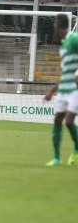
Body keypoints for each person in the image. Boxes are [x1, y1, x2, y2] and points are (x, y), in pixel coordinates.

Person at [43, 14, 78, 167]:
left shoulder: (74, 39)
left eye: (55, 25)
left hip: (75, 88)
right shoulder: (64, 44)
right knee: (58, 120)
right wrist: (52, 90)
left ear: (59, 26)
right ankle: (57, 158)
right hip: (64, 88)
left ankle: (76, 149)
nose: (54, 28)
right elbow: (65, 71)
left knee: (69, 121)